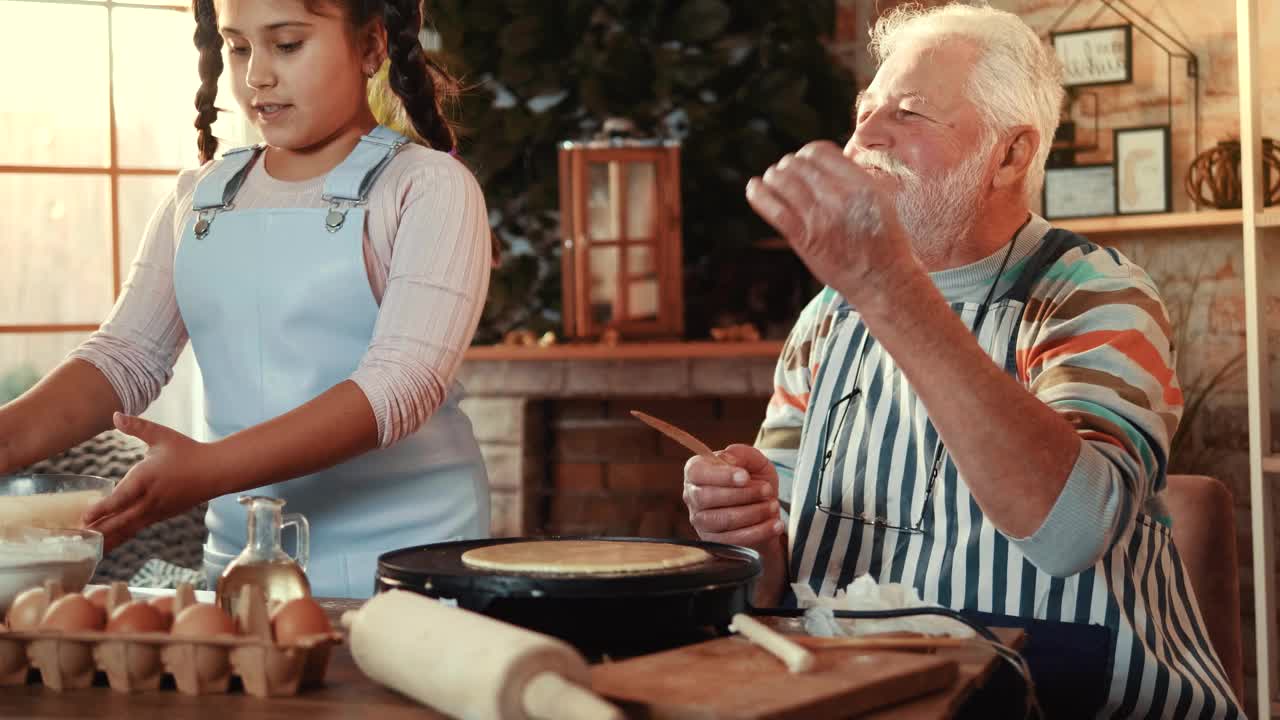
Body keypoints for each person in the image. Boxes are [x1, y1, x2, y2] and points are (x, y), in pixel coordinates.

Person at [682, 4, 1242, 718]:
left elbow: (1070, 530)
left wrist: (887, 284)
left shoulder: (1095, 293)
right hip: (870, 693)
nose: (867, 137)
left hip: (1077, 696)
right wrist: (750, 531)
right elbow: (771, 580)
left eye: (910, 114)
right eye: (866, 110)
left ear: (1009, 155)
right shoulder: (827, 319)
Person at [0, 0, 493, 599]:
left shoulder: (429, 188)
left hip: (410, 569)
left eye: (286, 44)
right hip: (243, 569)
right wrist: (7, 440)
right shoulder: (197, 199)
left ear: (370, 47)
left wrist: (207, 472)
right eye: (238, 47)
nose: (256, 74)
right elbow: (123, 357)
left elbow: (401, 386)